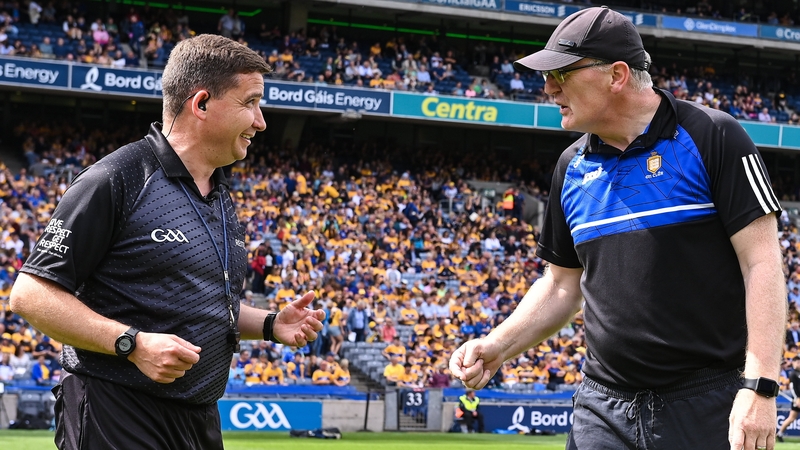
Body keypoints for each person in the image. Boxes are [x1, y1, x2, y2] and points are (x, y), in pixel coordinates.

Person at [449, 7, 785, 450]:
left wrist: (759, 386)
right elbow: (560, 287)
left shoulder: (713, 137)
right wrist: (497, 346)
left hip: (705, 404)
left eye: (562, 74)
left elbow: (762, 264)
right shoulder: (570, 167)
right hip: (602, 409)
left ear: (617, 75)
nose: (549, 88)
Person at [9, 34, 325, 450]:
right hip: (117, 411)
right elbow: (30, 295)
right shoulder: (117, 178)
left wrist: (268, 324)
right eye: (249, 102)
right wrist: (132, 344)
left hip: (199, 417)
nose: (261, 121)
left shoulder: (218, 194)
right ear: (202, 104)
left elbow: (198, 302)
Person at [777, 357, 800, 442]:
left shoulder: (798, 373)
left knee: (792, 418)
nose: (799, 364)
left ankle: (780, 433)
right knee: (791, 418)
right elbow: (792, 387)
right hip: (797, 399)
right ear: (793, 363)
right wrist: (797, 398)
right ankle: (780, 433)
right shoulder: (793, 374)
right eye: (797, 362)